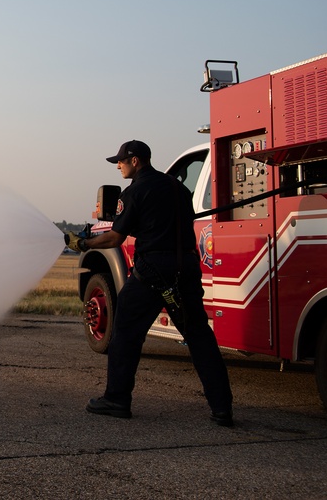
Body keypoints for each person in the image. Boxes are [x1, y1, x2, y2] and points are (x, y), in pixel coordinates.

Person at [66, 140, 234, 427]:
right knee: (199, 337)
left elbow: (115, 237)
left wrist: (84, 243)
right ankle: (222, 408)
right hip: (187, 269)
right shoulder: (178, 189)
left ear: (135, 161)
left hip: (152, 272)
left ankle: (116, 399)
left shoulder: (135, 192)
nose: (118, 165)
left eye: (120, 161)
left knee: (125, 333)